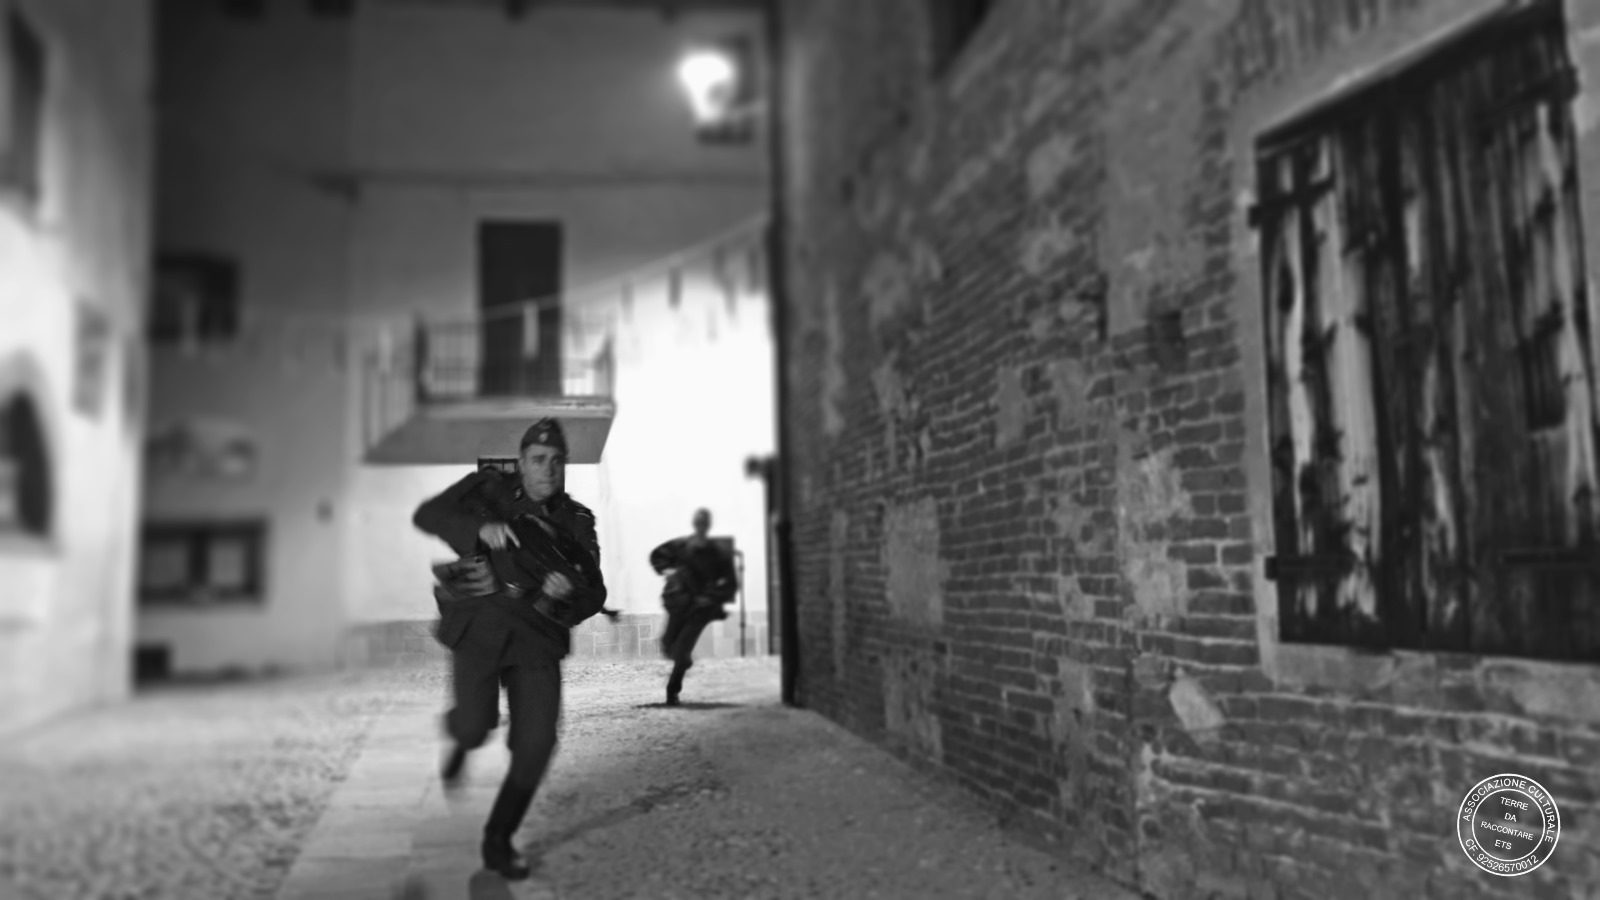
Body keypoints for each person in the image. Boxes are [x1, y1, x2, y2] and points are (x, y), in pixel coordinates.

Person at [412, 417, 607, 881]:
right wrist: (479, 530)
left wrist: (566, 595)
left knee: (537, 744)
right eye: (538, 460)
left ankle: (498, 838)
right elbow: (428, 515)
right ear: (521, 462)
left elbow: (595, 592)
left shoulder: (577, 522)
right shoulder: (489, 490)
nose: (548, 469)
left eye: (556, 461)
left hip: (536, 637)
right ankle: (462, 737)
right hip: (479, 627)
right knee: (473, 726)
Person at [649, 508, 738, 706]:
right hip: (679, 603)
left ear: (708, 525)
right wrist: (668, 571)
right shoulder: (681, 545)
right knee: (668, 644)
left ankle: (672, 691)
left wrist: (711, 597)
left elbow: (730, 583)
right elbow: (657, 556)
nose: (701, 525)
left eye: (704, 522)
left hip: (700, 609)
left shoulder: (718, 553)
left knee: (682, 648)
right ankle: (684, 660)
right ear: (695, 523)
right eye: (699, 521)